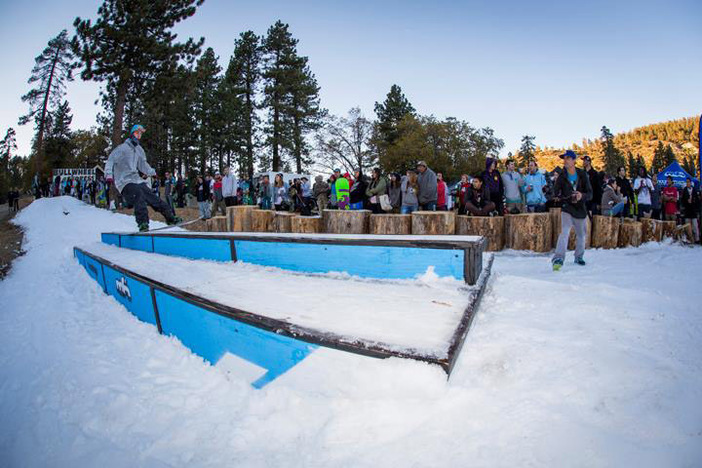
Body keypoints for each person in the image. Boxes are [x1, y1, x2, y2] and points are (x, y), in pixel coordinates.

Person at [105, 124, 180, 231]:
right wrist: (108, 175)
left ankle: (170, 217)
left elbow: (143, 165)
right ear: (131, 134)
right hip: (124, 182)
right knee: (138, 195)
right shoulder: (122, 148)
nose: (138, 136)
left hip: (136, 179)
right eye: (137, 133)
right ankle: (143, 223)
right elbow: (110, 160)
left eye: (140, 134)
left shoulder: (139, 150)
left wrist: (152, 172)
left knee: (152, 197)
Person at [551, 150, 592, 271]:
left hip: (580, 209)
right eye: (564, 158)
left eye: (568, 158)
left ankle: (579, 257)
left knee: (581, 235)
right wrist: (560, 197)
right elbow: (555, 192)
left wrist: (581, 196)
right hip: (567, 208)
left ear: (574, 160)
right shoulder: (562, 176)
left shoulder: (582, 174)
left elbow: (590, 193)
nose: (565, 160)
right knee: (564, 233)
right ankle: (558, 258)